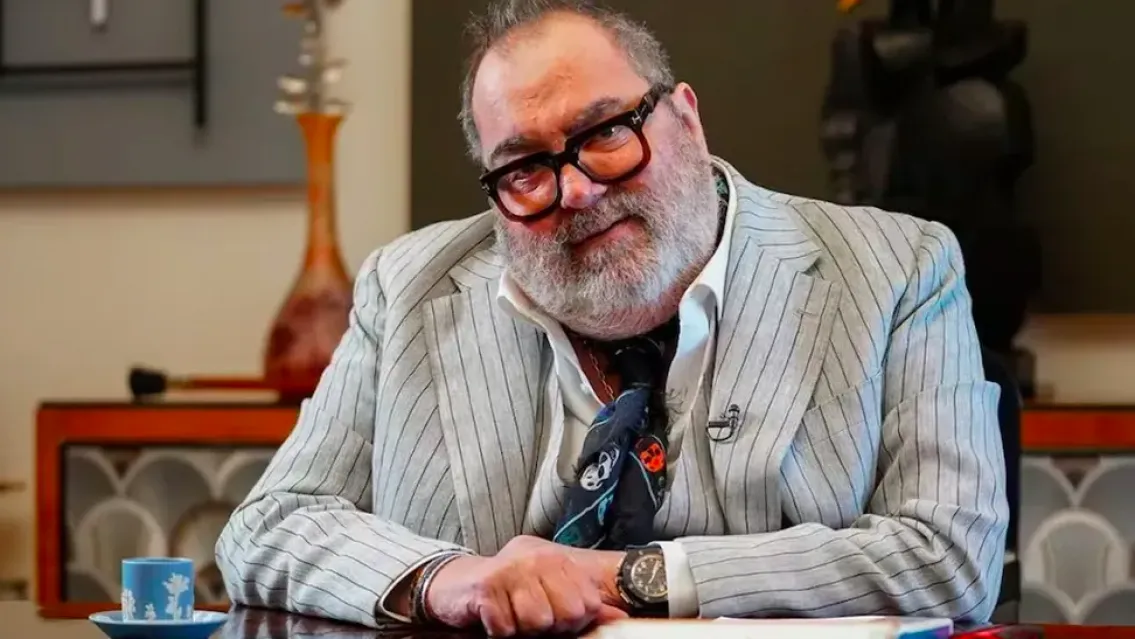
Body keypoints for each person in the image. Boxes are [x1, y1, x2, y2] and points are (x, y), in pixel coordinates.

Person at [215, 0, 1009, 635]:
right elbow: (269, 525)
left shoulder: (897, 268)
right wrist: (455, 580)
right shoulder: (410, 286)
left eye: (604, 134)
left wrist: (623, 576)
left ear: (685, 118)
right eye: (525, 167)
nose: (576, 190)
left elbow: (947, 555)